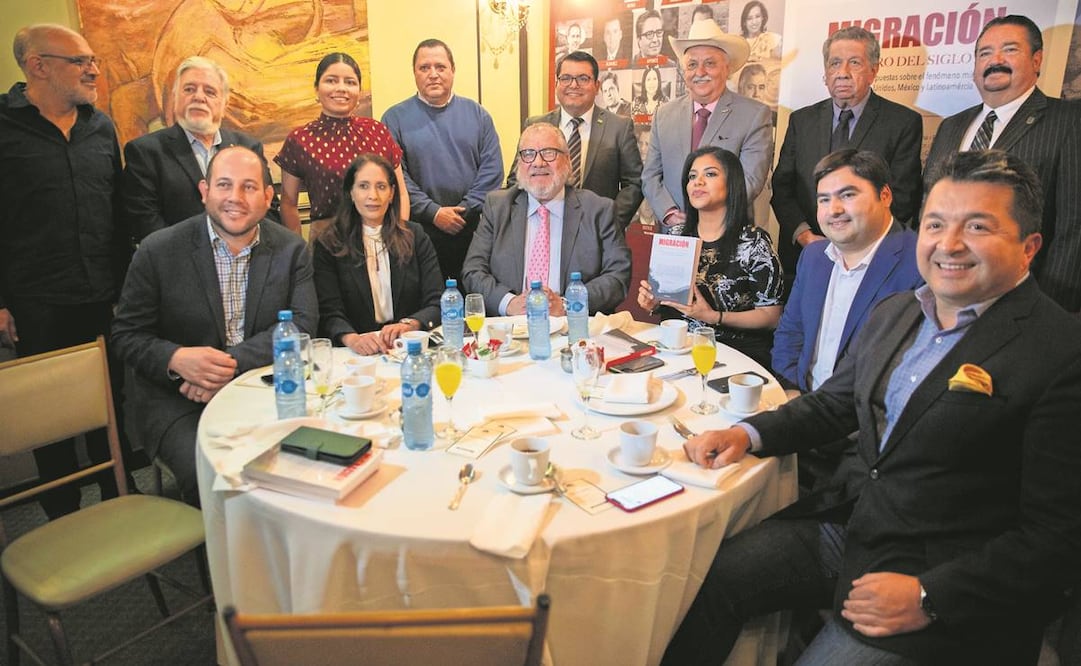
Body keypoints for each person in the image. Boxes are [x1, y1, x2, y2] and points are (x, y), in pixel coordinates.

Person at [661, 149, 1081, 666]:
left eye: (977, 227)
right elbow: (835, 403)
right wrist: (748, 434)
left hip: (941, 575)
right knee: (712, 578)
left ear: (1029, 246)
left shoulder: (1060, 352)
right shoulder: (901, 311)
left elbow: (1057, 537)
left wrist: (930, 597)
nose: (949, 244)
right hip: (856, 521)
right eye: (936, 223)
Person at [112, 146, 316, 505]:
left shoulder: (291, 249)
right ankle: (223, 561)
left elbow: (301, 324)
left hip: (261, 386)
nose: (235, 198)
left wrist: (229, 364)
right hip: (178, 398)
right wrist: (177, 359)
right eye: (224, 185)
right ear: (205, 191)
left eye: (249, 187)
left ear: (268, 197)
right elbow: (127, 336)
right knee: (215, 475)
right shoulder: (157, 251)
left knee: (310, 463)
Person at [1, 24, 130, 519]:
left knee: (108, 408)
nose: (93, 69)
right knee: (47, 416)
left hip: (101, 296)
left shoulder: (101, 126)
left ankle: (118, 505)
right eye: (80, 61)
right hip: (36, 302)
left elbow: (117, 212)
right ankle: (63, 516)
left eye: (93, 59)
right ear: (38, 66)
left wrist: (125, 290)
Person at [924, 14, 1081, 312]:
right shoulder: (951, 126)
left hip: (1021, 300)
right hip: (944, 294)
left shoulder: (1069, 122)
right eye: (984, 53)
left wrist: (1046, 307)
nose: (994, 59)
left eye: (1009, 49)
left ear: (1037, 61)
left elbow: (1074, 226)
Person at [772, 26, 923, 285]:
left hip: (869, 259)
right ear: (825, 72)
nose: (842, 73)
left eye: (854, 63)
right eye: (835, 63)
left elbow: (902, 196)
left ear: (874, 70)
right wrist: (805, 236)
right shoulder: (802, 120)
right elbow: (782, 186)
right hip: (804, 255)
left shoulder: (902, 122)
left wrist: (853, 243)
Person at [772, 149, 922, 393]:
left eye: (848, 195)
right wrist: (792, 391)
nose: (834, 210)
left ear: (884, 196)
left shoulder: (920, 263)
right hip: (800, 403)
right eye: (824, 199)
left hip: (863, 421)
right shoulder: (814, 257)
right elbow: (790, 333)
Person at [462, 123, 631, 316]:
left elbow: (618, 276)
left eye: (549, 153)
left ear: (567, 160)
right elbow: (473, 270)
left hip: (575, 329)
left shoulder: (599, 210)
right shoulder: (497, 206)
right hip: (511, 331)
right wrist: (508, 303)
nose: (538, 162)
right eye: (528, 154)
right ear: (519, 163)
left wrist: (568, 305)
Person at [637, 147, 781, 368]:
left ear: (731, 183)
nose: (698, 182)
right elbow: (667, 302)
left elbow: (771, 316)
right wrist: (653, 301)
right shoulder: (676, 235)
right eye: (692, 176)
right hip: (678, 347)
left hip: (735, 353)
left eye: (710, 174)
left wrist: (714, 316)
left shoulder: (754, 242)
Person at [382, 39, 504, 280]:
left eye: (440, 66)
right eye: (424, 68)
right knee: (430, 307)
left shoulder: (478, 115)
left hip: (473, 231)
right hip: (419, 232)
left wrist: (465, 210)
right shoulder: (393, 119)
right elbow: (395, 176)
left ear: (453, 70)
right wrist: (434, 213)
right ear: (414, 73)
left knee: (475, 303)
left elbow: (492, 171)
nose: (433, 74)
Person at [122, 56, 279, 243]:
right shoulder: (146, 152)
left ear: (224, 103)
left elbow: (269, 213)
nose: (198, 97)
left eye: (210, 92)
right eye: (189, 89)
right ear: (175, 98)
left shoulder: (248, 148)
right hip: (178, 265)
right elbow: (146, 224)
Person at [643, 20, 772, 232]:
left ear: (727, 68)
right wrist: (668, 213)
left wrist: (708, 218)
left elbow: (750, 179)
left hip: (726, 233)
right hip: (675, 235)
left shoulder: (754, 115)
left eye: (710, 63)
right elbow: (650, 176)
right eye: (692, 64)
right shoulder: (663, 114)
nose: (700, 71)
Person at [313, 154, 442, 355]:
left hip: (408, 348)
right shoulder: (329, 243)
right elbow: (328, 312)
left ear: (391, 194)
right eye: (363, 186)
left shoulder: (415, 236)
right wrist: (352, 338)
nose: (373, 195)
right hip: (355, 354)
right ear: (350, 192)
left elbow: (436, 300)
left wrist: (410, 324)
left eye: (381, 186)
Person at [275, 52, 408, 238]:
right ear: (316, 89)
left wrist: (400, 237)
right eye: (331, 80)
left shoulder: (378, 131)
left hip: (382, 237)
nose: (341, 88)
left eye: (350, 82)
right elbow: (289, 204)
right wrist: (297, 253)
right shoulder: (300, 139)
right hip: (327, 243)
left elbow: (401, 193)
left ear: (359, 92)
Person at [507, 52, 643, 232]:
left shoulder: (619, 127)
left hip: (598, 234)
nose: (573, 85)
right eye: (566, 78)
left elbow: (634, 184)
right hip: (543, 231)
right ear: (556, 84)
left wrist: (609, 222)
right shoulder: (536, 125)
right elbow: (516, 180)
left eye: (583, 78)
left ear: (597, 86)